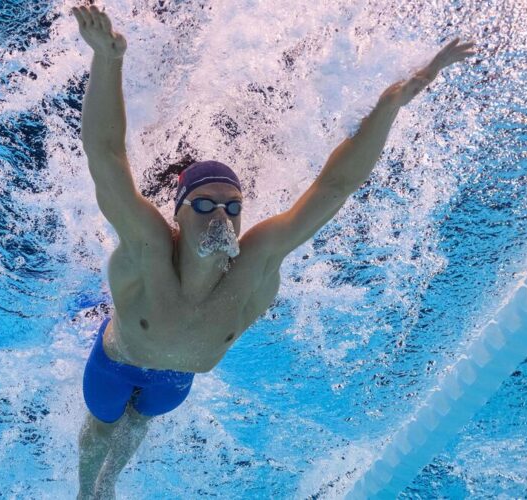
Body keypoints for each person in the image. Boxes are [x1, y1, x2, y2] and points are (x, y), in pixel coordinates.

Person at [70, 3, 476, 499]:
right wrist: (108, 60)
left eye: (231, 206)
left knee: (135, 430)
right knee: (101, 435)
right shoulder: (147, 247)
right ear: (176, 213)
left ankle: (110, 483)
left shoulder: (257, 260)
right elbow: (106, 157)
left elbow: (336, 185)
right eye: (202, 204)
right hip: (116, 365)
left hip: (173, 383)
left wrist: (391, 103)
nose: (219, 215)